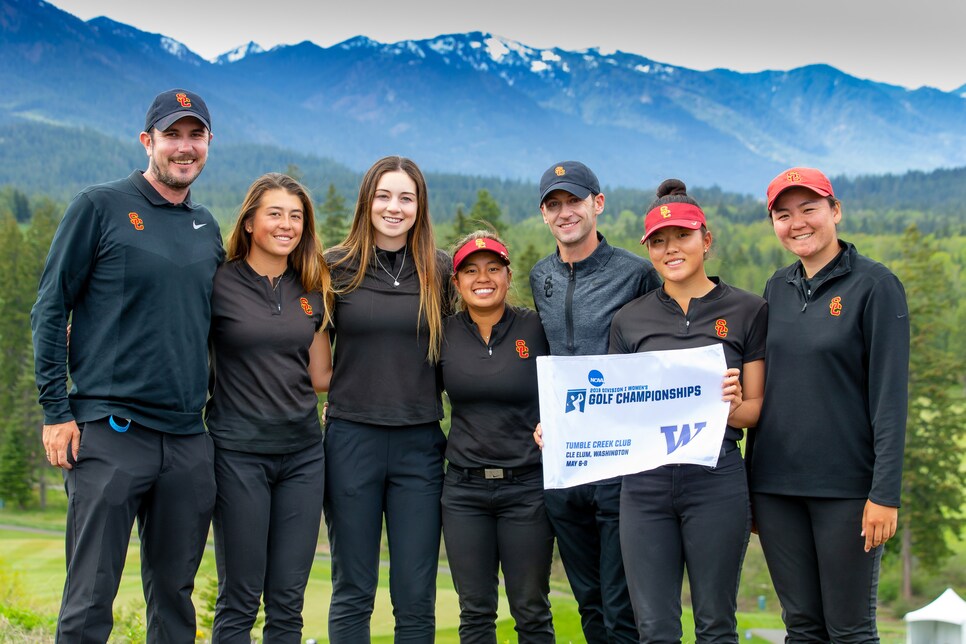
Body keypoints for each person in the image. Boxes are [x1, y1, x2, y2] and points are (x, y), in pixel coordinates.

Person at [31, 89, 222, 642]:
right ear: (148, 141)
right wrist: (55, 410)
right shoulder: (100, 206)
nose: (184, 147)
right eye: (172, 135)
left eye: (195, 135)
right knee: (89, 600)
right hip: (112, 433)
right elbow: (50, 309)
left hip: (188, 440)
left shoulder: (206, 228)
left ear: (208, 143)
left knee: (174, 601)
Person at [748, 167, 909, 642]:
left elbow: (890, 399)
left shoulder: (876, 286)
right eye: (783, 214)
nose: (797, 223)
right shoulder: (776, 288)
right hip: (777, 491)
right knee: (801, 628)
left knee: (850, 630)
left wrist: (885, 494)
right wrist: (754, 486)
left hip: (847, 492)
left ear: (835, 211)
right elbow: (768, 389)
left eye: (809, 209)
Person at [608, 179, 767, 643]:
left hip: (716, 478)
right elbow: (615, 406)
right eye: (658, 241)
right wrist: (563, 430)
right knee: (655, 629)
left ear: (706, 239)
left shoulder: (747, 310)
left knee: (716, 625)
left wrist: (733, 407)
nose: (670, 248)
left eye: (681, 236)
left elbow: (754, 410)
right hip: (645, 483)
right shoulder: (630, 319)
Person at [529, 160, 661, 643]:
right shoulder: (540, 275)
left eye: (574, 201)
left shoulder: (636, 274)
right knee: (589, 601)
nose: (565, 213)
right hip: (563, 464)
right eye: (554, 205)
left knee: (621, 605)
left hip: (620, 466)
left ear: (597, 204)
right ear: (544, 215)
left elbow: (660, 357)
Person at [322, 156, 452, 643]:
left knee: (416, 595)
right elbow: (313, 360)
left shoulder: (441, 271)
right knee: (353, 589)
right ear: (366, 201)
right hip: (351, 440)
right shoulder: (335, 267)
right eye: (383, 195)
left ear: (420, 207)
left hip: (420, 445)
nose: (393, 207)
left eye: (406, 197)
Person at [206, 173, 333, 642]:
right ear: (250, 223)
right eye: (275, 214)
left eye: (296, 216)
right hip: (238, 455)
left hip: (303, 456)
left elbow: (322, 377)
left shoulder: (312, 288)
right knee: (240, 598)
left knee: (287, 603)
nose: (287, 224)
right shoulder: (218, 282)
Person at [441, 231, 554, 643]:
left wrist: (558, 425)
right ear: (456, 283)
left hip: (526, 488)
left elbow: (570, 387)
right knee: (475, 613)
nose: (482, 277)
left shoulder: (536, 328)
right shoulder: (444, 332)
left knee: (531, 610)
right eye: (470, 270)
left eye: (492, 268)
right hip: (463, 492)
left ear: (508, 276)